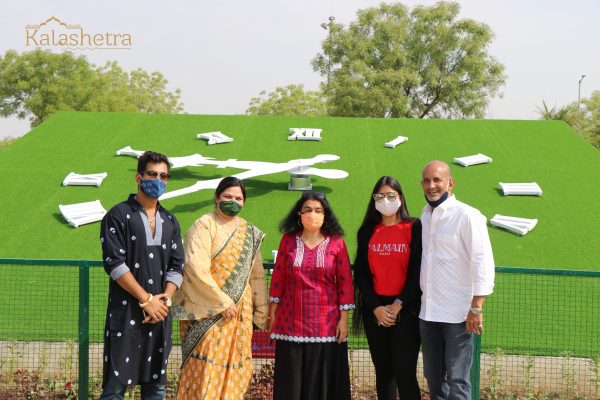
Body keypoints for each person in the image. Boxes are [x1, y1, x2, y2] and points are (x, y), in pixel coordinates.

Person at [172, 176, 268, 399]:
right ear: (216, 198)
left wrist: (261, 313)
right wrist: (221, 302)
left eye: (238, 198)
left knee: (237, 370)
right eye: (227, 196)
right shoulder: (204, 225)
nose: (232, 201)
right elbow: (195, 267)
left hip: (239, 316)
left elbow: (257, 276)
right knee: (205, 371)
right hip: (208, 313)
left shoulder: (249, 232)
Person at [100, 151, 184, 400]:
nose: (158, 180)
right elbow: (114, 264)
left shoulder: (170, 220)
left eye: (163, 176)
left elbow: (177, 266)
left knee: (156, 386)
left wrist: (164, 300)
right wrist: (146, 300)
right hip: (126, 312)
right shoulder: (117, 215)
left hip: (160, 315)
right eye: (152, 174)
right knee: (115, 387)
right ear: (138, 177)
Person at [419, 160, 495, 400]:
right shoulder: (425, 215)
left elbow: (482, 261)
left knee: (458, 380)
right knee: (433, 377)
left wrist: (476, 306)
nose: (432, 185)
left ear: (450, 183)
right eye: (427, 181)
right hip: (428, 314)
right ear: (422, 184)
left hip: (458, 315)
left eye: (437, 180)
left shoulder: (467, 215)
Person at [268, 191, 354, 400]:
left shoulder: (336, 243)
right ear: (299, 214)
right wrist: (272, 314)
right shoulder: (288, 241)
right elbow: (278, 278)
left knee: (322, 384)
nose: (312, 214)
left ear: (325, 215)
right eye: (307, 210)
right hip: (290, 322)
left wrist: (344, 320)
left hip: (326, 324)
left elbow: (345, 282)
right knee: (292, 384)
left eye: (318, 210)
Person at [353, 176, 422, 400]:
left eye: (391, 196)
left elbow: (418, 272)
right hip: (376, 311)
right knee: (383, 373)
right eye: (380, 196)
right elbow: (362, 275)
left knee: (405, 373)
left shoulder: (414, 227)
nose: (386, 200)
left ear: (400, 198)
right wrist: (376, 308)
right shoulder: (367, 232)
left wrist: (398, 304)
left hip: (406, 310)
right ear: (374, 200)